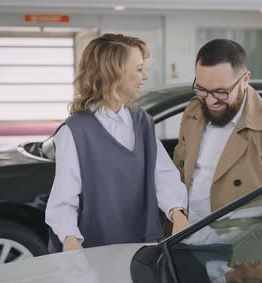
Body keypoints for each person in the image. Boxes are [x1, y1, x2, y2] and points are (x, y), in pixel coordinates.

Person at [45, 33, 189, 252]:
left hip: (141, 245)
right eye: (139, 69)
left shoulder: (142, 123)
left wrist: (177, 214)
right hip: (93, 249)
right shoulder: (74, 132)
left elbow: (163, 176)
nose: (145, 76)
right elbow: (64, 199)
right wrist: (70, 240)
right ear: (114, 73)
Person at [173, 39, 262, 224]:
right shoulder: (193, 110)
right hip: (183, 236)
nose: (210, 101)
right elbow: (180, 174)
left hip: (237, 246)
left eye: (220, 92)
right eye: (202, 90)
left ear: (245, 79)